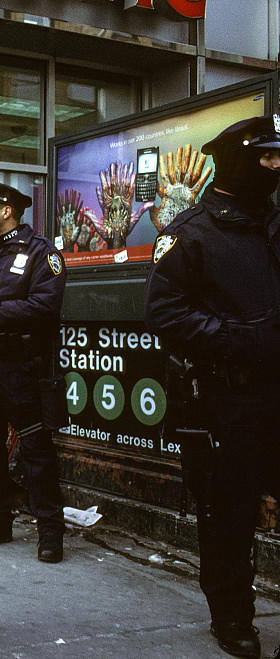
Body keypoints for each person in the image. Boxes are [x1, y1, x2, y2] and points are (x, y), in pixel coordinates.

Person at [145, 114, 280, 659]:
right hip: (230, 398)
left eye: (278, 157)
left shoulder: (274, 222)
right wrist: (239, 341)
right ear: (234, 161)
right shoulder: (190, 233)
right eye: (266, 157)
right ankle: (232, 616)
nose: (275, 166)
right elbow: (165, 313)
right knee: (229, 513)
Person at [0, 181, 67, 563]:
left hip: (22, 364)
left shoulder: (41, 253)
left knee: (36, 447)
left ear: (7, 210)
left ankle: (50, 531)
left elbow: (45, 305)